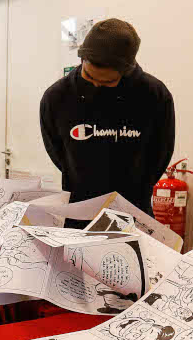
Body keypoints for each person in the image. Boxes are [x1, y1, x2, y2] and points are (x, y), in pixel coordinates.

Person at [40, 18, 175, 216]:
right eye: (89, 77)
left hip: (134, 211)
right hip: (78, 212)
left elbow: (161, 153)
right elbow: (57, 152)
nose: (96, 85)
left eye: (108, 82)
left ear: (126, 72)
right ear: (81, 60)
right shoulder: (57, 97)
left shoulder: (154, 96)